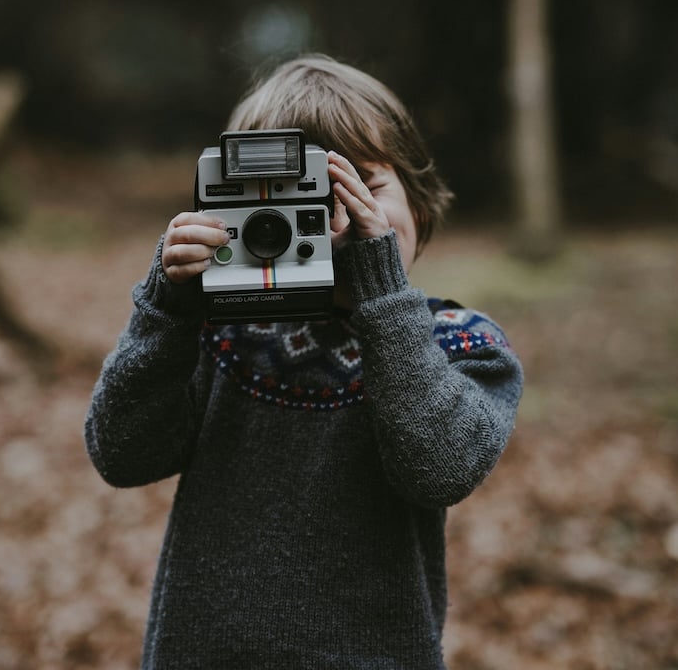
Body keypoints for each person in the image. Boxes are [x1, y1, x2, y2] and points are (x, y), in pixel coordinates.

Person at [85, 54, 523, 668]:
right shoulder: (218, 331)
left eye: (359, 188)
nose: (332, 221)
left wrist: (381, 292)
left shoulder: (459, 341)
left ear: (419, 202)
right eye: (298, 197)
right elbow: (123, 454)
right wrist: (169, 306)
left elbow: (440, 467)